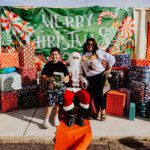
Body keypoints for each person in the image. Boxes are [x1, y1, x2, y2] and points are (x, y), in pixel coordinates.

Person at [81, 38, 115, 121]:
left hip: (100, 75)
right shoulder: (82, 55)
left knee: (99, 93)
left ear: (94, 45)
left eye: (92, 44)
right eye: (88, 44)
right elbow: (80, 66)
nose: (90, 46)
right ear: (86, 45)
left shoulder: (97, 52)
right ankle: (96, 112)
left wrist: (109, 69)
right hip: (89, 78)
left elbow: (111, 58)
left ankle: (103, 112)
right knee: (92, 95)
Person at [41, 47, 69, 128]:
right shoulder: (48, 65)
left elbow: (67, 77)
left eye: (56, 54)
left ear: (59, 55)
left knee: (58, 103)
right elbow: (42, 75)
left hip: (60, 88)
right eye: (52, 54)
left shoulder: (62, 65)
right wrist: (49, 78)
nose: (54, 56)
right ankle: (46, 120)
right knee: (50, 104)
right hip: (51, 87)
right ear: (50, 55)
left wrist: (65, 79)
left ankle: (55, 117)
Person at [63, 52, 90, 127]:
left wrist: (84, 81)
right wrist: (65, 79)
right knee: (66, 97)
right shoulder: (66, 69)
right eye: (73, 58)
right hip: (69, 88)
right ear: (70, 59)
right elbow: (64, 79)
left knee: (86, 97)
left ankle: (80, 117)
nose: (75, 60)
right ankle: (71, 117)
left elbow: (83, 77)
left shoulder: (81, 69)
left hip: (79, 88)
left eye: (77, 58)